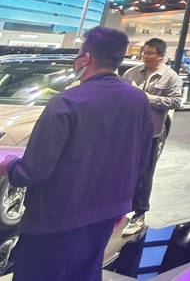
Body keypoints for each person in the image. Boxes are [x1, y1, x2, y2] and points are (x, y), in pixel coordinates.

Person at [0, 27, 153, 281]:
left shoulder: (67, 102)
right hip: (106, 213)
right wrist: (124, 202)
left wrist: (9, 165)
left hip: (55, 218)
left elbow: (34, 170)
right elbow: (141, 159)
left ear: (86, 58)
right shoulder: (138, 100)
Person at [121, 38, 182, 236]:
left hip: (151, 133)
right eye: (144, 52)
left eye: (150, 53)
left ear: (161, 56)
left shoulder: (170, 77)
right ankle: (119, 209)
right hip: (127, 132)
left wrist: (149, 98)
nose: (145, 56)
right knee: (122, 171)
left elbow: (176, 101)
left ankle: (139, 213)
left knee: (144, 174)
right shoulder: (131, 73)